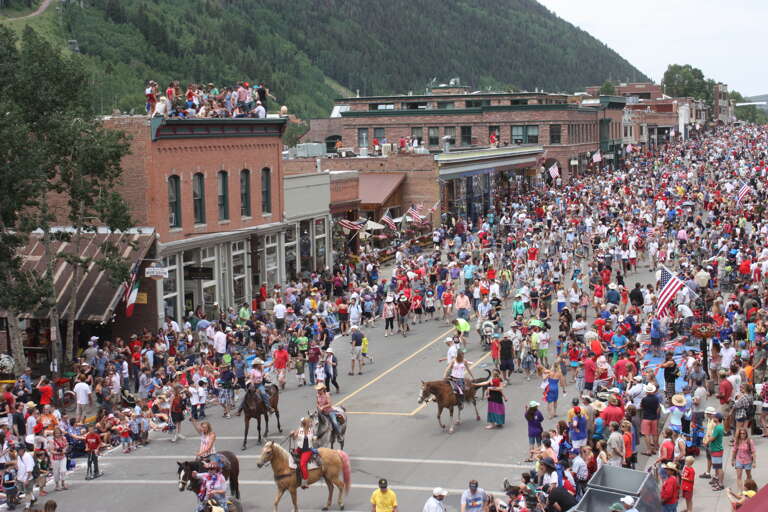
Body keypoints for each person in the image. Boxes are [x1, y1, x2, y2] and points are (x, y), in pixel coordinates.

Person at [290, 417, 316, 489]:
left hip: (307, 450)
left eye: (305, 422)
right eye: (307, 423)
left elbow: (313, 438)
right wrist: (292, 434)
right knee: (290, 458)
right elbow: (294, 438)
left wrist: (315, 438)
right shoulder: (299, 430)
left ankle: (305, 481)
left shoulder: (311, 430)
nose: (308, 424)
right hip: (299, 449)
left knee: (302, 464)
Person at [730, 427, 756, 491]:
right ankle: (741, 491)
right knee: (739, 476)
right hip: (739, 460)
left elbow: (753, 452)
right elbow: (734, 451)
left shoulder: (749, 441)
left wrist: (754, 462)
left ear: (746, 434)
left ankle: (749, 488)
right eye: (740, 433)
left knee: (749, 476)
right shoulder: (737, 441)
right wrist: (732, 460)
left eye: (743, 433)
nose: (742, 435)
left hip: (748, 460)